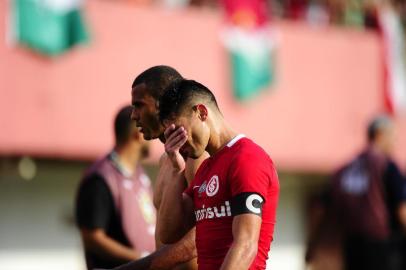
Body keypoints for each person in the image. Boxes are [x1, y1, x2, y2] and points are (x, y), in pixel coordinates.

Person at [157, 79, 280, 270]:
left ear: (201, 112)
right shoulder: (206, 168)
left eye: (179, 130)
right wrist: (176, 169)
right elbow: (169, 234)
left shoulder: (247, 158)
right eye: (170, 134)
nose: (177, 141)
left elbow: (246, 245)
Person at [112, 65, 208, 270]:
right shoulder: (167, 159)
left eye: (139, 105)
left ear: (162, 105)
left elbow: (206, 233)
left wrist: (139, 267)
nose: (133, 116)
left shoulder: (197, 157)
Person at [306, 115, 406, 270]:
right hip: (383, 247)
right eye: (393, 136)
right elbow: (402, 209)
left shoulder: (343, 170)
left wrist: (312, 244)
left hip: (351, 246)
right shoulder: (386, 166)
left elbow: (321, 210)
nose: (395, 143)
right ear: (379, 134)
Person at [75, 105, 156, 270]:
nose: (154, 136)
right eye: (149, 129)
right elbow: (92, 238)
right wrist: (142, 258)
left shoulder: (140, 175)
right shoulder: (101, 178)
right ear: (138, 135)